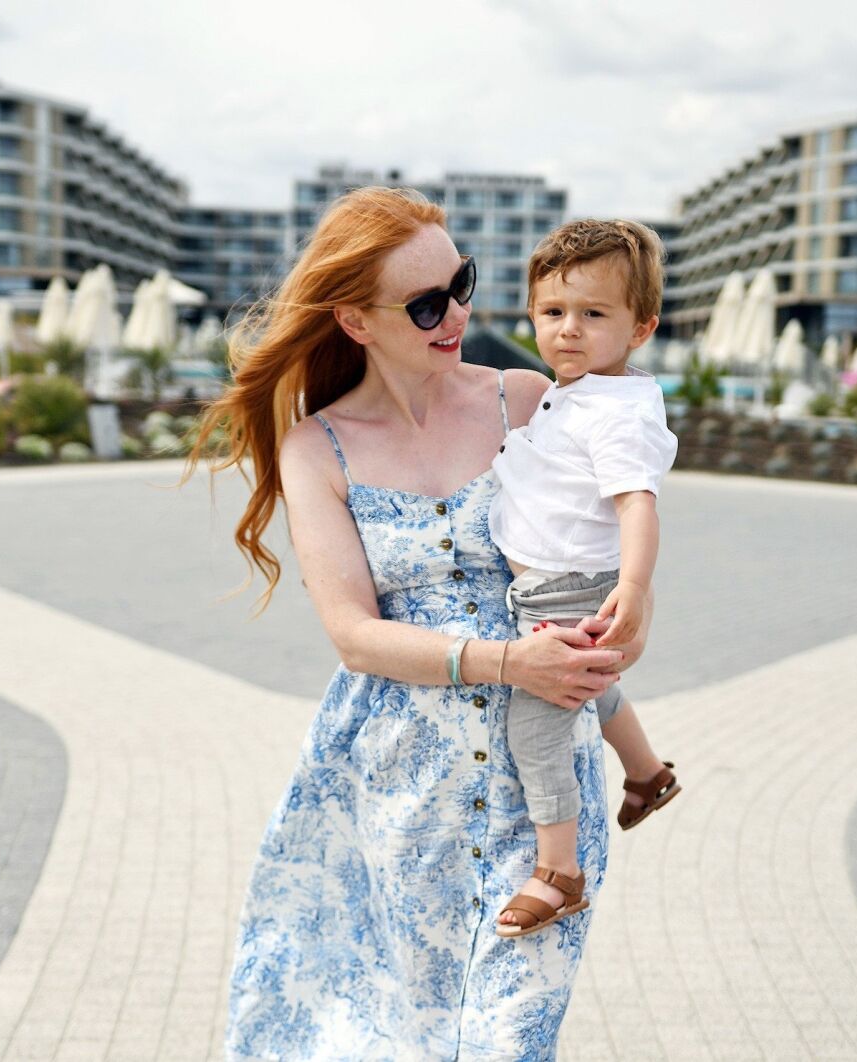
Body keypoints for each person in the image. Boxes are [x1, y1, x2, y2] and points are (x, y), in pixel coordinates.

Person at [187, 188, 652, 1060]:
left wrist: (633, 606)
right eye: (427, 304)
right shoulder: (317, 447)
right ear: (355, 321)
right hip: (400, 785)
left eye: (461, 284)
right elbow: (353, 634)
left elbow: (623, 504)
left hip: (542, 783)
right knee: (400, 1032)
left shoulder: (529, 400)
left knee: (508, 1042)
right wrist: (507, 660)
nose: (458, 315)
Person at [489, 219, 681, 938]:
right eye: (552, 311)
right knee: (593, 690)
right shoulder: (581, 390)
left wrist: (633, 586)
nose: (568, 329)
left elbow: (638, 505)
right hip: (556, 584)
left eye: (594, 314)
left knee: (535, 727)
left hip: (570, 588)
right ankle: (647, 773)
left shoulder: (615, 414)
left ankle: (558, 872)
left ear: (641, 328)